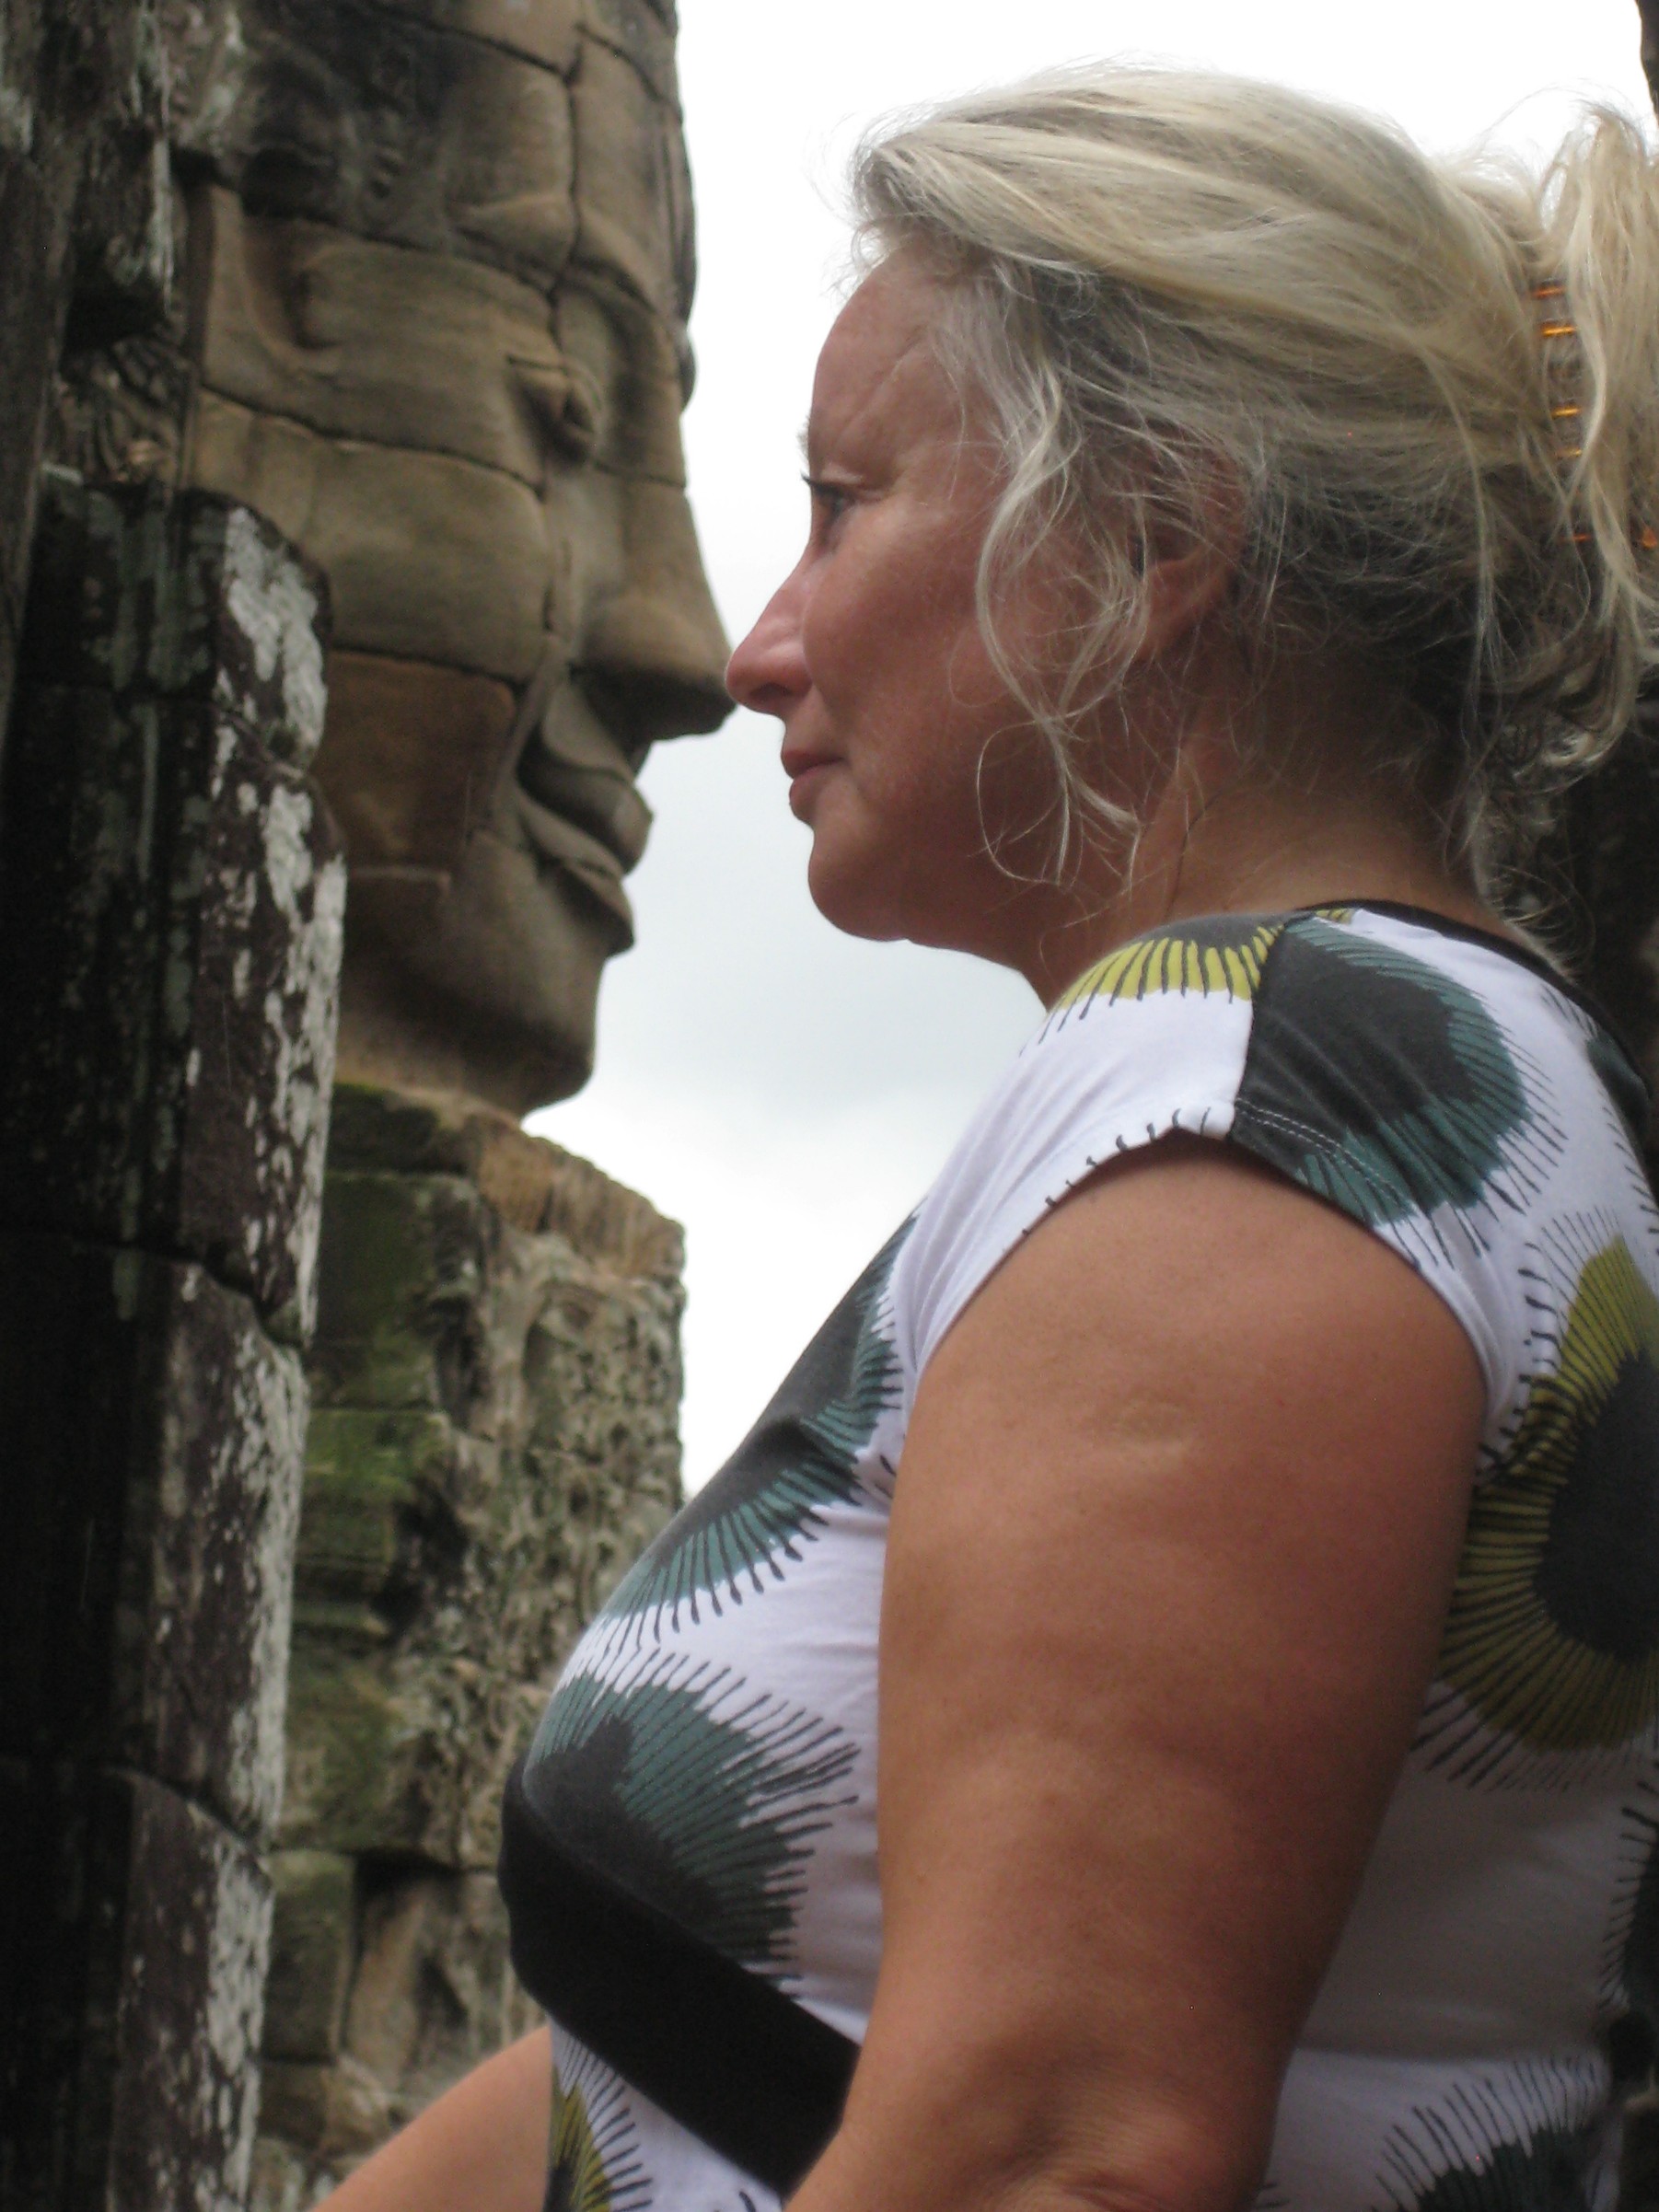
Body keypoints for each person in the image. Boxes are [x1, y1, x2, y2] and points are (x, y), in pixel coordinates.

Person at [318, 66, 1659, 2212]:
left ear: (1147, 542)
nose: (753, 647)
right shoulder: (1333, 1085)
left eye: (841, 502)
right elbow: (695, 2057)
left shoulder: (1272, 1109)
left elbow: (1051, 2142)